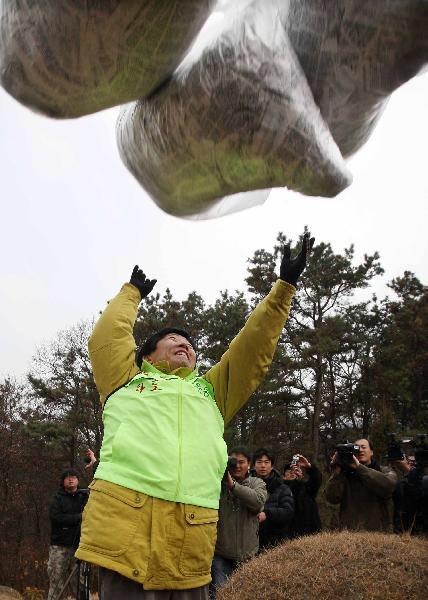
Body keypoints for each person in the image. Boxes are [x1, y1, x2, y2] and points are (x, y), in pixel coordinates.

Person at [76, 232, 314, 599]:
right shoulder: (126, 380)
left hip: (192, 540)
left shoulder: (210, 392)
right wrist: (130, 294)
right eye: (173, 340)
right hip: (126, 534)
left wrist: (283, 288)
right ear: (149, 356)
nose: (185, 344)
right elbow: (106, 337)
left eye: (189, 344)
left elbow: (251, 350)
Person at [210, 448, 266, 598]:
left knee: (245, 595)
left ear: (249, 464)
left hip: (248, 556)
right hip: (221, 555)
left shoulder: (256, 482)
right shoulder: (217, 485)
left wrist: (233, 486)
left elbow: (258, 502)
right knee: (220, 594)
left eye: (242, 462)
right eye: (234, 462)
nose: (238, 466)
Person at [325, 438, 397, 532]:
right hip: (350, 533)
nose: (360, 450)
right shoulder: (345, 474)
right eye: (356, 448)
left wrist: (359, 468)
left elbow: (389, 486)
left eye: (363, 447)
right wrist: (337, 471)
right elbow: (332, 498)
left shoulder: (384, 470)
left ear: (371, 452)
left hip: (378, 533)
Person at [47, 468, 89, 600]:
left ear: (78, 480)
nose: (70, 479)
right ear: (63, 481)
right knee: (56, 582)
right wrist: (79, 517)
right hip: (60, 547)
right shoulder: (57, 499)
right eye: (67, 477)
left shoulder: (84, 496)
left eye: (73, 477)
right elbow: (56, 518)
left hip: (80, 547)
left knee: (81, 584)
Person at [252, 448, 294, 550]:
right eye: (259, 462)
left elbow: (288, 511)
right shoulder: (245, 484)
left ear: (272, 466)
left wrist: (267, 514)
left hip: (274, 542)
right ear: (253, 465)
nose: (263, 466)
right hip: (249, 540)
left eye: (266, 462)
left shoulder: (282, 487)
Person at [282, 454, 322, 538]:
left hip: (311, 533)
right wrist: (295, 482)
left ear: (302, 474)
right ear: (284, 477)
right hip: (291, 534)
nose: (293, 472)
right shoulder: (281, 490)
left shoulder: (307, 488)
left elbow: (317, 480)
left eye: (296, 470)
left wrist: (308, 466)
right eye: (289, 471)